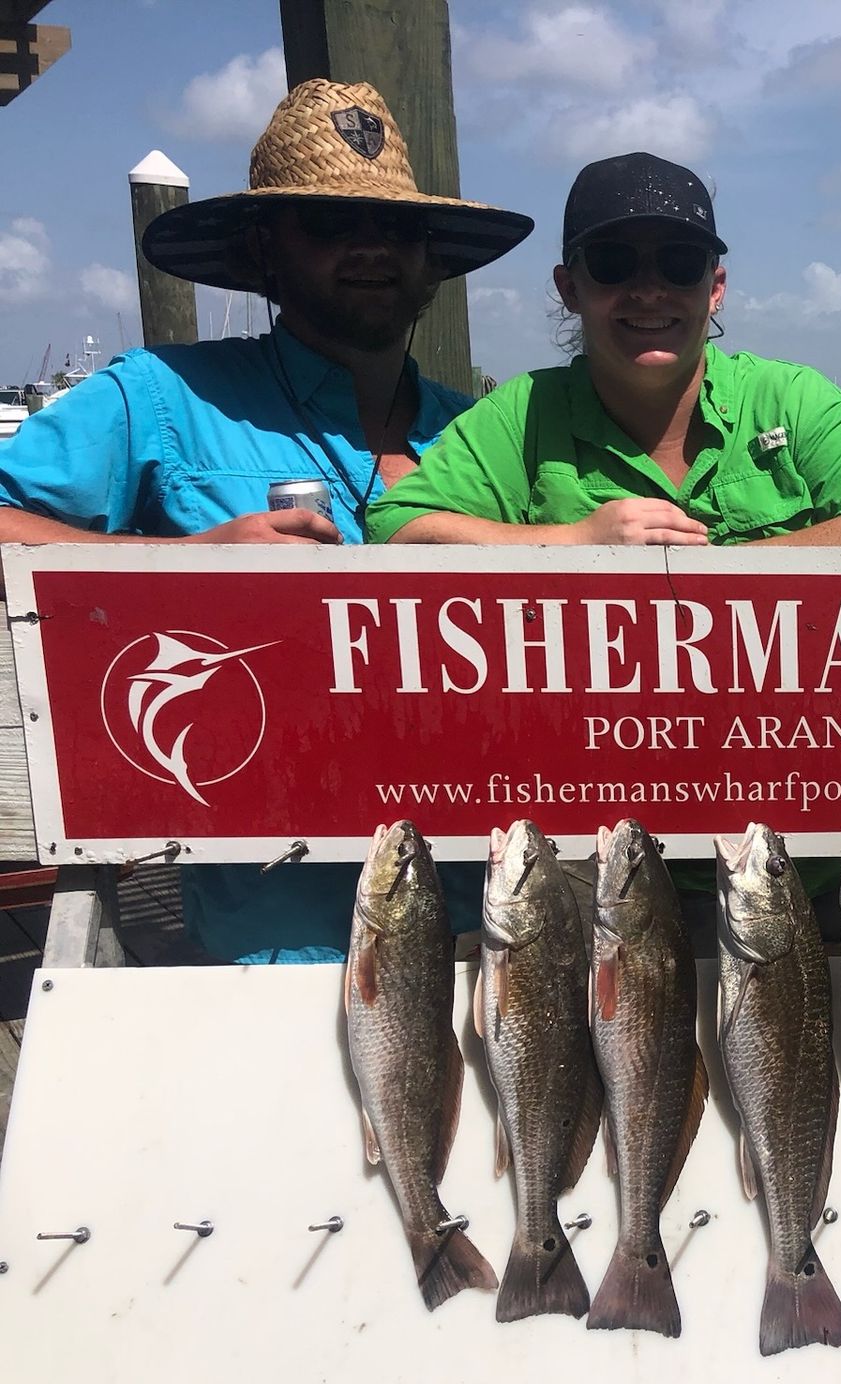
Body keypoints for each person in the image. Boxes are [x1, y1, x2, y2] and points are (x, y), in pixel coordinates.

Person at [0, 79, 535, 963]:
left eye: (397, 229)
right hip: (276, 946)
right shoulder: (161, 396)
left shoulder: (487, 433)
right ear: (265, 250)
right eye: (328, 224)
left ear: (431, 259)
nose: (370, 248)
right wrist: (184, 561)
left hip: (499, 936)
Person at [368, 152, 841, 940]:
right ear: (570, 286)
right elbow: (398, 529)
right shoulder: (525, 412)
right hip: (589, 881)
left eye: (678, 262)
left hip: (797, 868)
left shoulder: (792, 399)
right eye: (613, 264)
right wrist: (575, 542)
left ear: (717, 284)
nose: (649, 290)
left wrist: (707, 582)